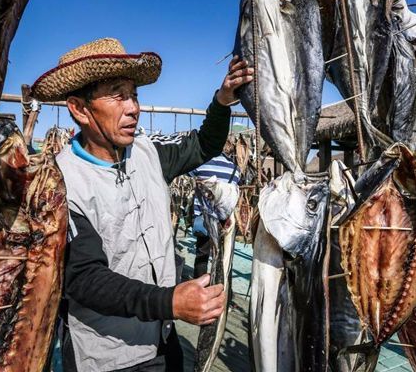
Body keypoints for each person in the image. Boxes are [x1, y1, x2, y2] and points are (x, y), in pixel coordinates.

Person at [30, 38, 253, 372]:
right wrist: (171, 301)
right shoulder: (60, 183)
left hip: (163, 338)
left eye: (134, 94)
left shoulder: (148, 153)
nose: (133, 107)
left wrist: (222, 102)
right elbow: (86, 278)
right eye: (118, 94)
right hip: (109, 355)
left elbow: (204, 144)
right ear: (79, 108)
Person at [189, 141, 241, 278]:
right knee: (223, 256)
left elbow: (187, 171)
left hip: (204, 217)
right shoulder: (236, 169)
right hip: (225, 220)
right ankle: (221, 286)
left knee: (202, 253)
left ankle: (199, 285)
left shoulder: (203, 163)